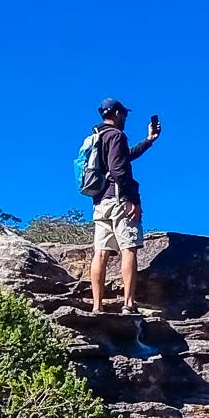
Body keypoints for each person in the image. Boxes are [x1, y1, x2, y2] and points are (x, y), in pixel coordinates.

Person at [87, 97, 160, 313]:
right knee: (129, 248)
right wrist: (133, 199)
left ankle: (97, 306)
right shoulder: (117, 135)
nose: (126, 118)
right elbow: (118, 169)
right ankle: (128, 303)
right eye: (125, 114)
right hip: (120, 200)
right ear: (117, 113)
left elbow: (123, 157)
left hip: (100, 202)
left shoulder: (97, 137)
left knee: (100, 252)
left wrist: (149, 140)